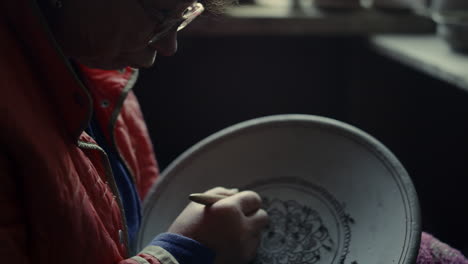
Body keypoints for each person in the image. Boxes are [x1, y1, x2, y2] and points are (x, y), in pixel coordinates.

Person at [0, 0, 466, 264]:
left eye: (184, 14)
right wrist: (183, 252)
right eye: (161, 13)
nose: (169, 45)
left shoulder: (100, 74)